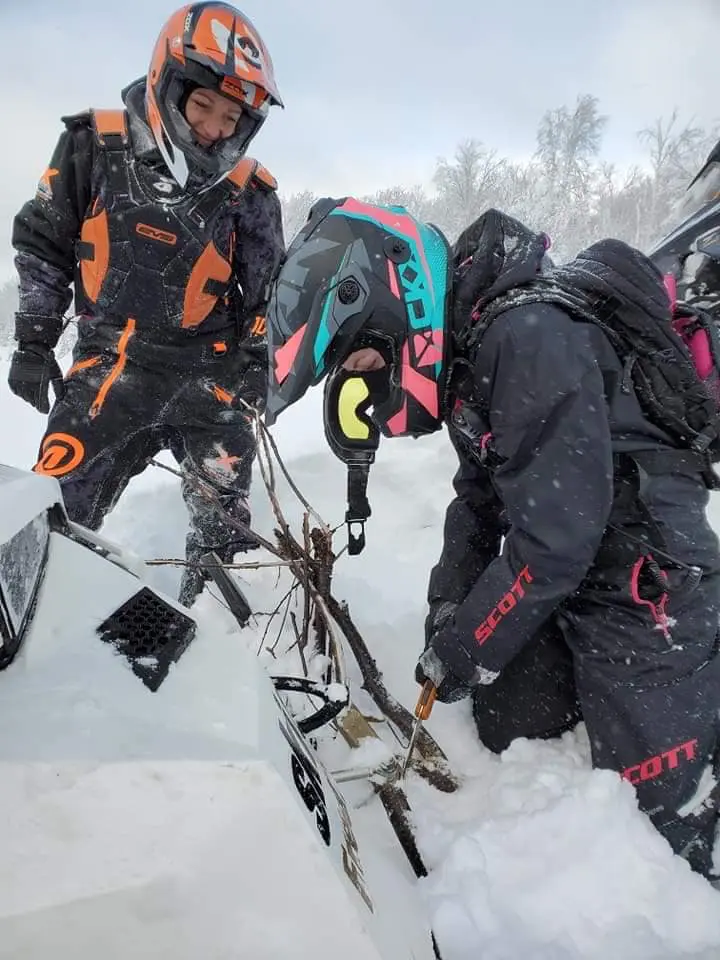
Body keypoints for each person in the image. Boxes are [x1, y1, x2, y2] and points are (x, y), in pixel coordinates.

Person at [262, 196, 720, 882]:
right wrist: (451, 608)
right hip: (581, 560)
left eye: (362, 363)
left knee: (662, 824)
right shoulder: (473, 351)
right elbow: (479, 500)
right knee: (506, 713)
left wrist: (468, 643)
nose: (373, 388)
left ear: (396, 308)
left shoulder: (524, 336)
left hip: (646, 576)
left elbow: (552, 543)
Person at [7, 2, 285, 606]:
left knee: (223, 541)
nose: (214, 126)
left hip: (210, 379)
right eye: (203, 104)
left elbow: (269, 293)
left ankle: (212, 657)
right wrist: (32, 341)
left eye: (231, 114)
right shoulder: (91, 144)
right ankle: (37, 647)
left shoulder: (251, 192)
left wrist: (256, 369)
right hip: (111, 365)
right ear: (169, 84)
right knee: (45, 519)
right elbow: (43, 242)